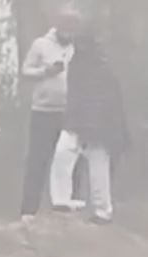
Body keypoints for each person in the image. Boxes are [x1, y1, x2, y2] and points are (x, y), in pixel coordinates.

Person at [58, 27, 128, 225]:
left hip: (99, 126)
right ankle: (66, 202)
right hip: (89, 123)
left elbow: (99, 100)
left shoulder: (93, 68)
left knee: (97, 164)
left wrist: (90, 126)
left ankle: (102, 211)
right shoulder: (89, 65)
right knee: (67, 155)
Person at [21, 6, 81, 217]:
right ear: (57, 23)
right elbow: (25, 71)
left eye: (72, 24)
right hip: (43, 111)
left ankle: (67, 209)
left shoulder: (79, 47)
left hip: (70, 113)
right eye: (65, 23)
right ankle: (29, 211)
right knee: (38, 160)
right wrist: (46, 71)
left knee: (70, 161)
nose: (68, 29)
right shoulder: (40, 45)